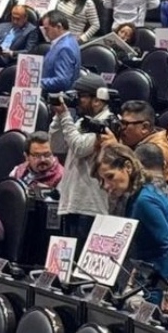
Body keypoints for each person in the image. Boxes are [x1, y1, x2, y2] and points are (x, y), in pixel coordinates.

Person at [49, 75, 115, 240]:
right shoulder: (82, 123)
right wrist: (59, 116)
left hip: (91, 206)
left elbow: (80, 148)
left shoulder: (107, 124)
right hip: (71, 202)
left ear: (97, 100)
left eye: (81, 96)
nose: (77, 100)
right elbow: (56, 146)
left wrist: (65, 116)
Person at [116, 100, 168, 183]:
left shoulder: (158, 151)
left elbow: (132, 180)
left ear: (145, 127)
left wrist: (114, 148)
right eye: (121, 122)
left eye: (126, 123)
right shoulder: (134, 141)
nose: (122, 128)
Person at [38, 9, 81, 96]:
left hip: (56, 98)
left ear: (59, 27)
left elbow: (62, 81)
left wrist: (37, 83)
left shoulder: (65, 48)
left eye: (47, 29)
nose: (45, 33)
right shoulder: (69, 40)